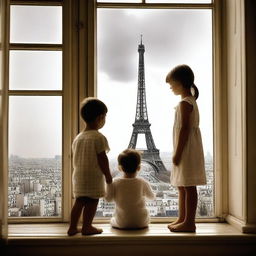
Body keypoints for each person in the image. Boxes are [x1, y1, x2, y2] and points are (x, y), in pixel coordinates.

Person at [165, 64, 206, 232]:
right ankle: (183, 218)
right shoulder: (190, 101)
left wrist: (178, 153)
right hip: (188, 148)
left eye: (172, 85)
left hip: (186, 149)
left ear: (181, 83)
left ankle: (189, 222)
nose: (171, 88)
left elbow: (184, 129)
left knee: (188, 186)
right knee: (183, 185)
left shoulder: (185, 103)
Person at [67, 97, 112, 236]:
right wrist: (108, 175)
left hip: (79, 176)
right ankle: (87, 226)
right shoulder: (98, 137)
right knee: (92, 201)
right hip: (93, 176)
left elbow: (73, 156)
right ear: (100, 118)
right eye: (105, 117)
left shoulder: (78, 137)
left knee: (79, 202)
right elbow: (102, 159)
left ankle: (72, 227)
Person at [105, 149, 155, 229]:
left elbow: (108, 199)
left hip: (122, 223)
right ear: (139, 167)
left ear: (120, 168)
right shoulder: (142, 182)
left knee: (112, 219)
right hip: (141, 223)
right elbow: (152, 197)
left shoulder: (115, 182)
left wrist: (109, 184)